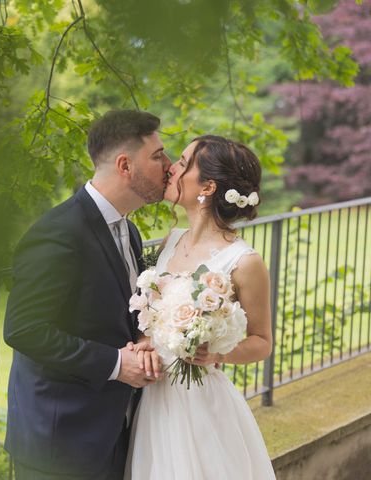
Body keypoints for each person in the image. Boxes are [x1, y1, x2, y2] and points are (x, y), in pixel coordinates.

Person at [3, 110, 170, 479]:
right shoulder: (58, 233)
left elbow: (120, 314)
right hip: (60, 440)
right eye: (158, 156)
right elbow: (24, 329)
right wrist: (115, 364)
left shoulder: (129, 230)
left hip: (112, 430)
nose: (169, 166)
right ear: (125, 165)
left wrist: (144, 339)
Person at [125, 135, 276, 479]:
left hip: (199, 405)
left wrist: (216, 354)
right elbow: (151, 323)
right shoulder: (171, 239)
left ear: (207, 186)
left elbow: (262, 342)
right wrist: (147, 341)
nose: (172, 168)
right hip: (153, 401)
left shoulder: (244, 261)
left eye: (182, 161)